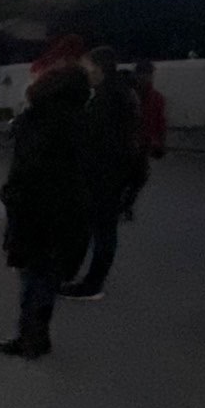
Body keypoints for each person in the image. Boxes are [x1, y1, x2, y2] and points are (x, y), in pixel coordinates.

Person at [0, 42, 92, 358]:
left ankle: (30, 336)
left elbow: (27, 167)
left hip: (35, 208)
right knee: (48, 274)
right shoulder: (82, 120)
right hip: (68, 208)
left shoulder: (36, 120)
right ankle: (37, 334)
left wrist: (11, 195)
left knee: (32, 274)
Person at [61, 47, 139, 300]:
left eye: (88, 67)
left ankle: (93, 283)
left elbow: (98, 139)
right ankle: (75, 274)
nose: (85, 73)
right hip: (108, 173)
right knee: (93, 226)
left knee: (102, 230)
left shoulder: (109, 99)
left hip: (105, 175)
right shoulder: (115, 94)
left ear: (99, 68)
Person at [122, 60, 167, 219]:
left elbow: (160, 121)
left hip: (143, 142)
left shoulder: (156, 97)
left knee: (139, 177)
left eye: (149, 74)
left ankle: (126, 203)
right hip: (130, 142)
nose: (147, 78)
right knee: (131, 176)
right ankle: (124, 204)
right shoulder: (130, 95)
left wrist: (160, 142)